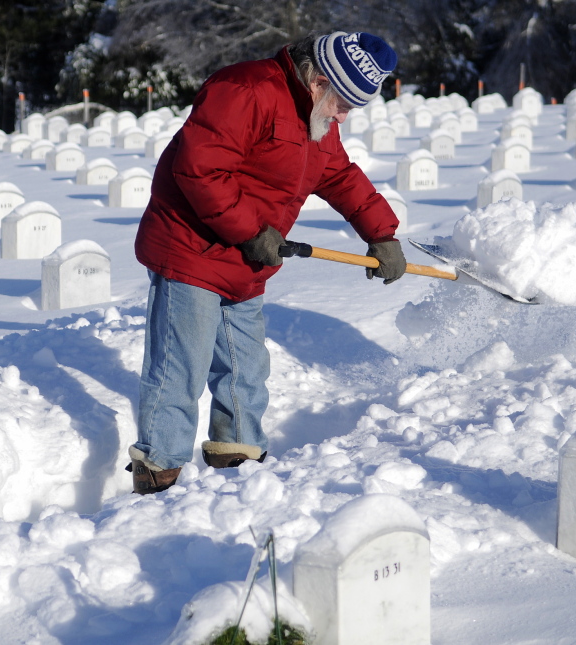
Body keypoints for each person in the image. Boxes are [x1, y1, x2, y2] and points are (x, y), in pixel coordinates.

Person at [128, 30, 407, 494]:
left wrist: (381, 233)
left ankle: (237, 465)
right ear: (318, 81)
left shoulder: (315, 118)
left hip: (248, 261)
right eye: (343, 104)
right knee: (180, 367)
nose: (343, 116)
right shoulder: (246, 90)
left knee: (245, 368)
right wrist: (250, 232)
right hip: (192, 249)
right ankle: (159, 473)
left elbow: (337, 174)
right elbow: (199, 168)